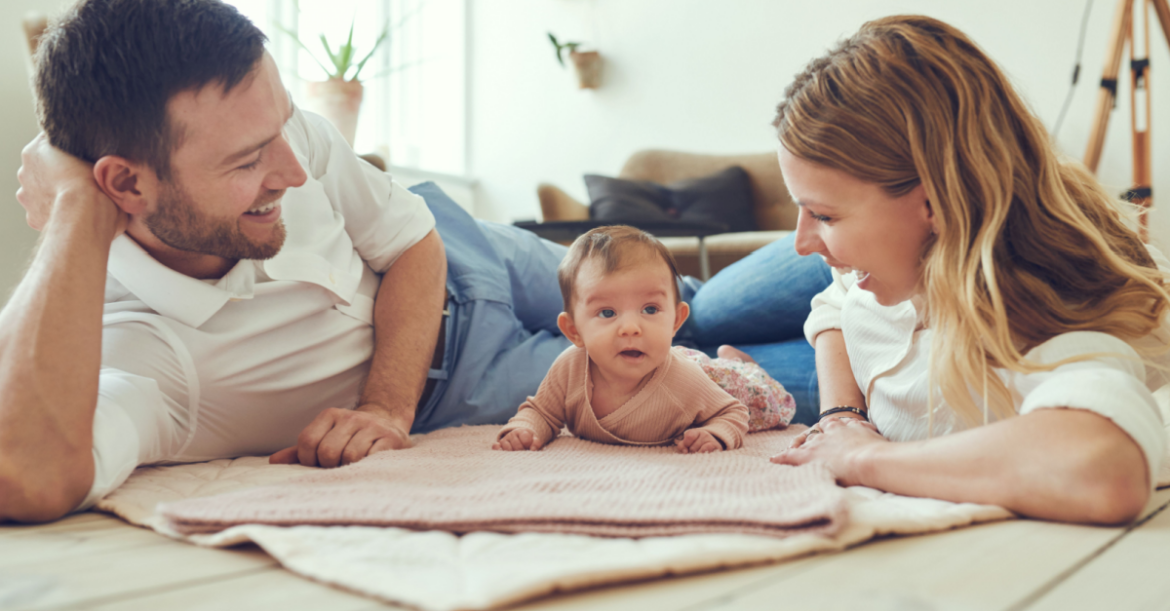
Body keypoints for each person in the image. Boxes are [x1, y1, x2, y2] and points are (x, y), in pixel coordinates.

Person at [0, 0, 571, 522]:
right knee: (656, 365)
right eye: (248, 162)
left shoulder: (272, 132)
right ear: (125, 182)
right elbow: (27, 474)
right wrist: (76, 204)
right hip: (461, 376)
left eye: (283, 126)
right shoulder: (141, 351)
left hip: (462, 243)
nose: (294, 173)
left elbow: (412, 240)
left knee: (658, 289)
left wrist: (385, 407)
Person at [764, 15, 1169, 524]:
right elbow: (833, 301)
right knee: (691, 316)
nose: (800, 242)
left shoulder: (1041, 319)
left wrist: (859, 457)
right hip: (863, 337)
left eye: (823, 214)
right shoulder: (879, 257)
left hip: (902, 338)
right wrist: (841, 415)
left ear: (935, 202)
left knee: (676, 352)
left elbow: (1103, 467)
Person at [493, 226, 764, 453]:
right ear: (574, 330)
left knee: (762, 399)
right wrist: (524, 428)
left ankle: (742, 365)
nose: (631, 328)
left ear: (676, 320)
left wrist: (716, 434)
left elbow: (733, 412)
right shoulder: (570, 368)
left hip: (719, 381)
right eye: (607, 312)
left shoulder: (683, 380)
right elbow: (542, 412)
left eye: (650, 309)